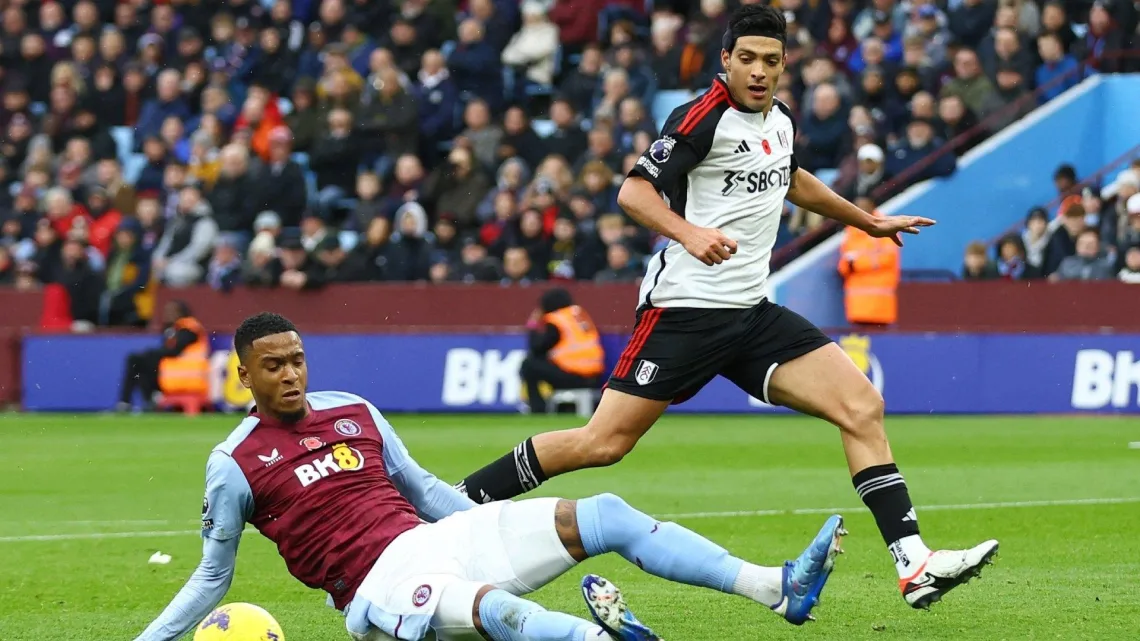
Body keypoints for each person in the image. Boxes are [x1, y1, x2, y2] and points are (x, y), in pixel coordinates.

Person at [456, 4, 997, 612]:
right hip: (684, 309)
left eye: (770, 60)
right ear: (726, 61)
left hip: (751, 312)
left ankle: (913, 562)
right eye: (747, 59)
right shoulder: (701, 118)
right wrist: (688, 233)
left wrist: (865, 221)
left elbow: (791, 178)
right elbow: (632, 191)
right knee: (601, 444)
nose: (759, 71)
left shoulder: (782, 119)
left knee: (861, 405)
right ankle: (458, 505)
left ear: (785, 63)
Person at [133, 312, 847, 641]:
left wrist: (487, 514)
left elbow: (428, 492)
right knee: (500, 613)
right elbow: (212, 577)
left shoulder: (353, 410)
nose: (291, 373)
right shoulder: (234, 461)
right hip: (376, 589)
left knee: (603, 512)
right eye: (273, 364)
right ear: (244, 373)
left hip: (437, 538)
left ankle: (773, 587)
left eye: (296, 358)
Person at [519, 288, 606, 414]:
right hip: (595, 376)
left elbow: (537, 348)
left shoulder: (557, 320)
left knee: (529, 365)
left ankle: (537, 409)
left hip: (575, 376)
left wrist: (532, 325)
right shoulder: (579, 314)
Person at [117, 300, 208, 412]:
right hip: (172, 372)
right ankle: (142, 401)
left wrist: (149, 353)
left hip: (186, 375)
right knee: (138, 366)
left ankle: (130, 401)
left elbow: (175, 350)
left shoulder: (189, 328)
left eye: (172, 311)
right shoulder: (173, 329)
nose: (167, 314)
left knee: (136, 360)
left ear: (181, 312)